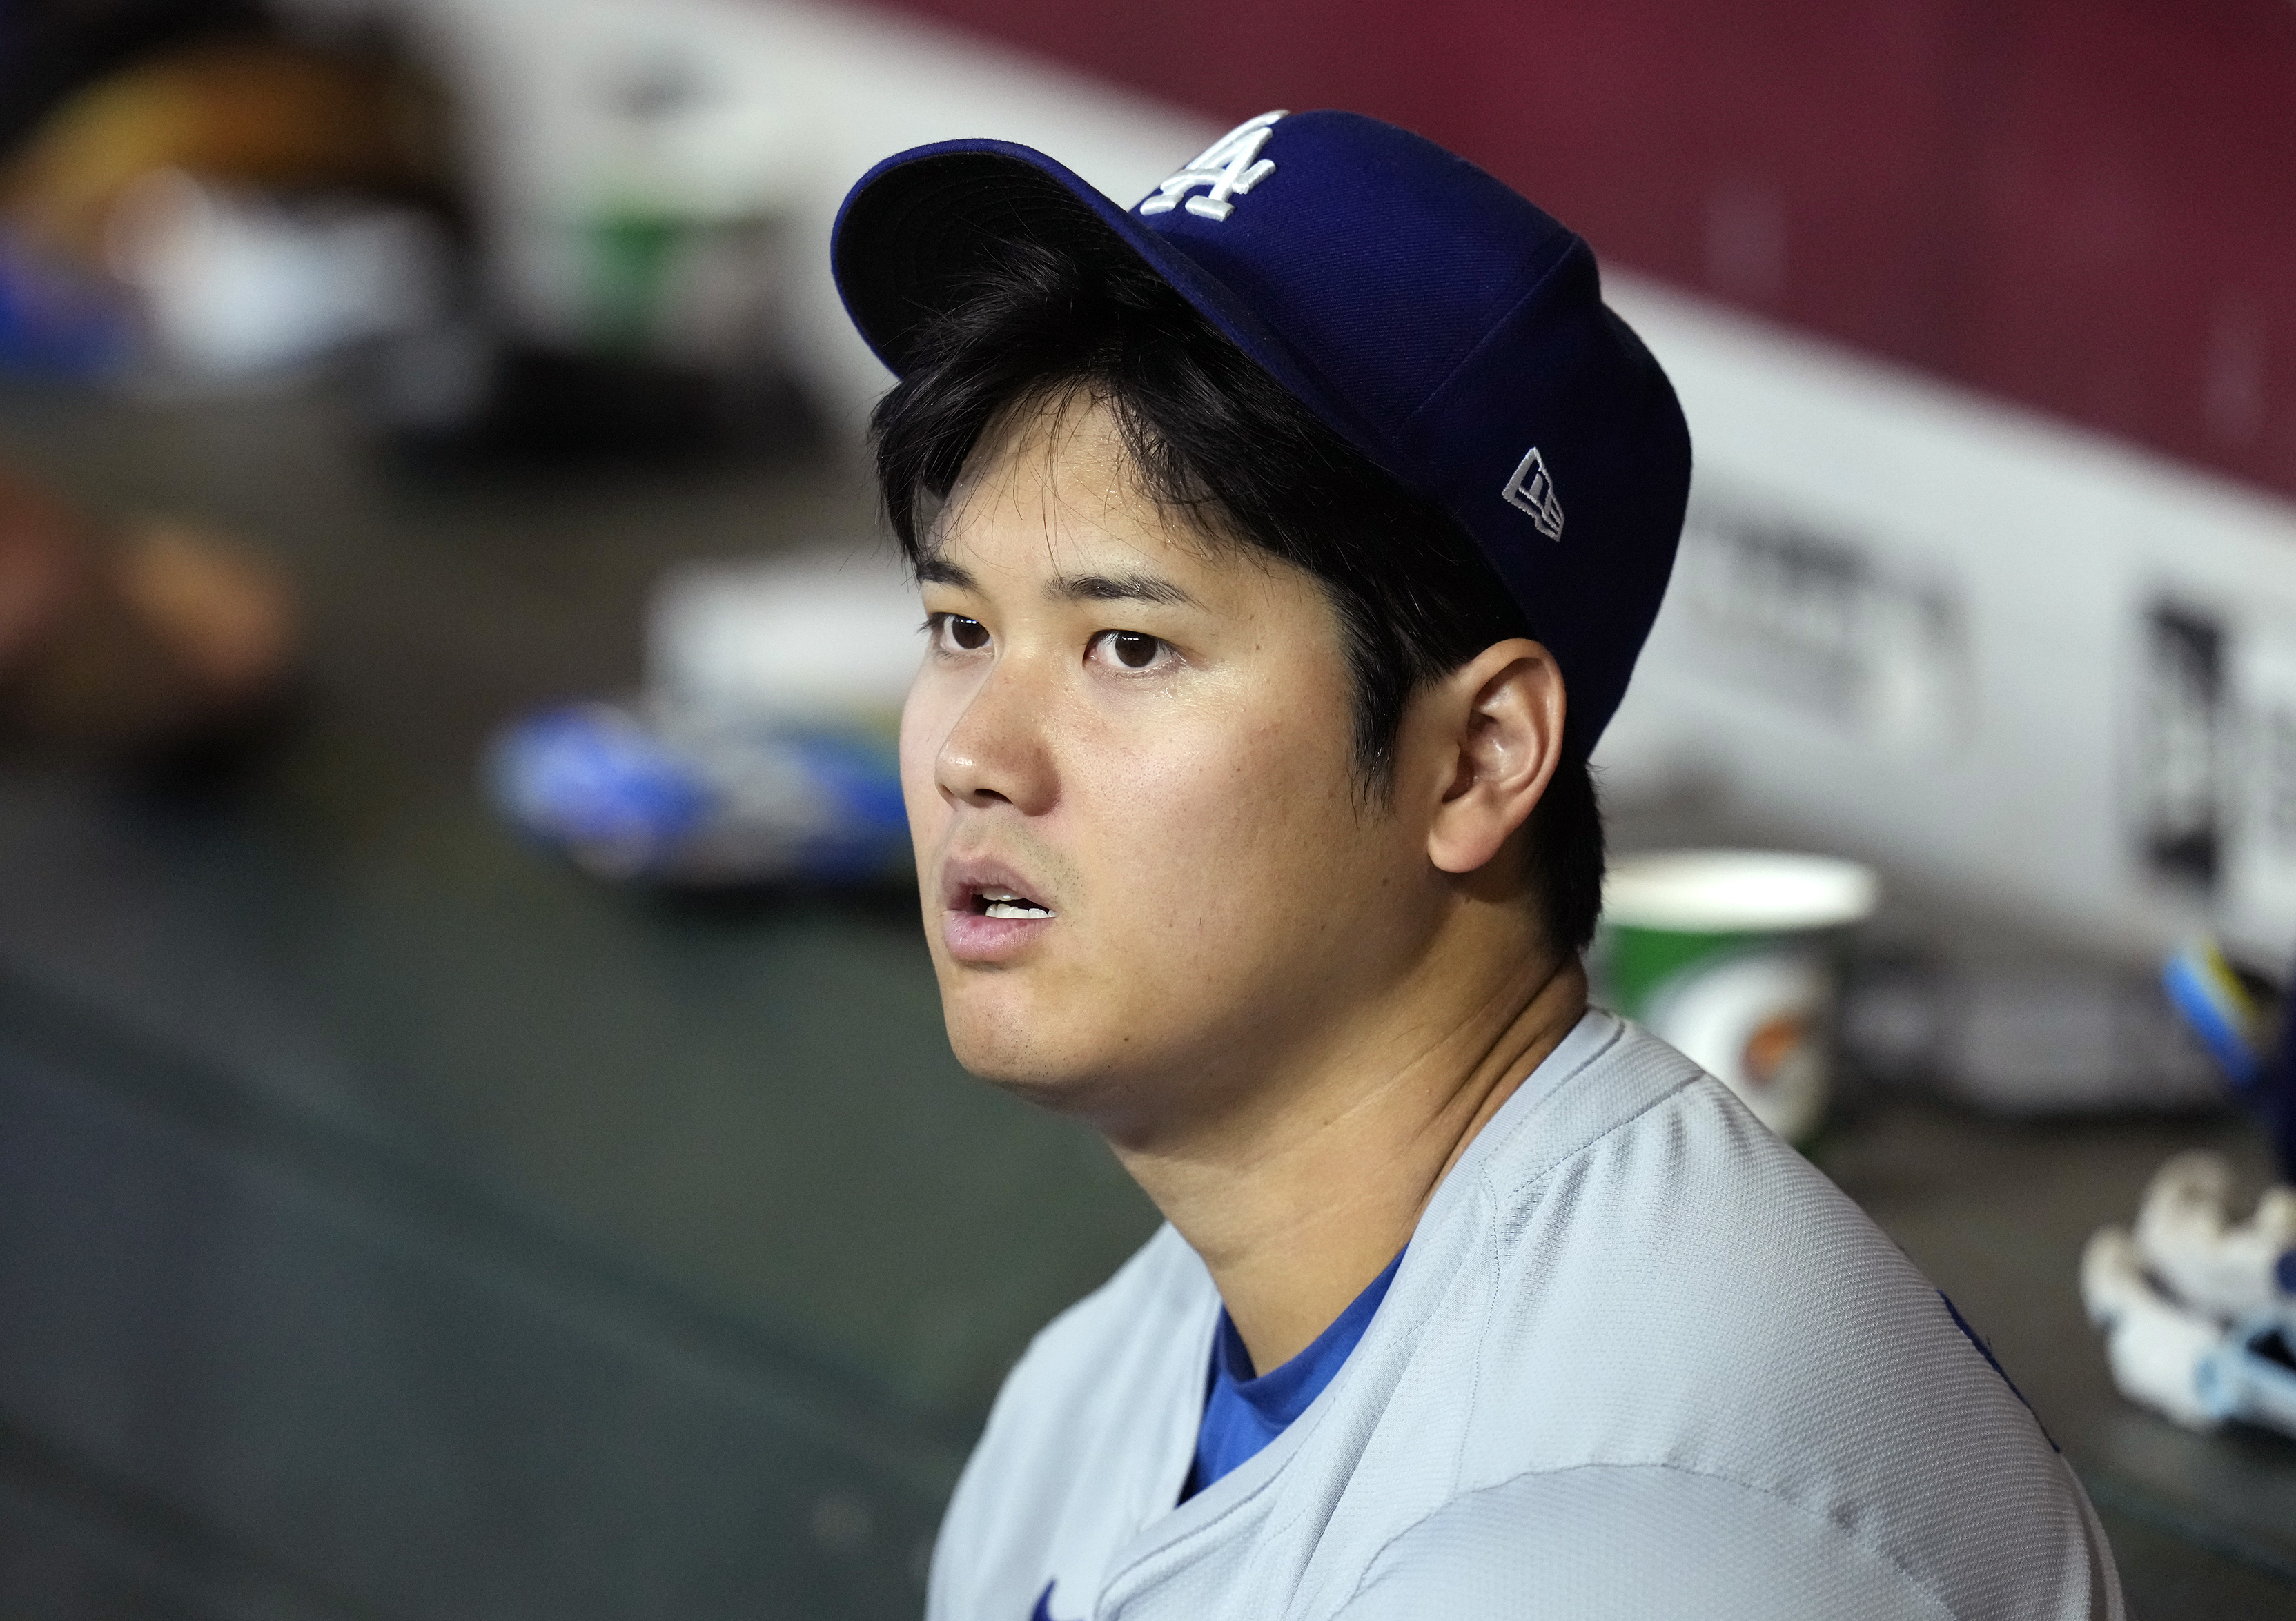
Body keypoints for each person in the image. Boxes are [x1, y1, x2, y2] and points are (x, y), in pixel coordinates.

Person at [831, 110, 2122, 1620]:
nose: (977, 750)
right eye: (960, 629)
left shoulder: (1636, 1529)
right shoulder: (1102, 1392)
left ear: (1480, 756)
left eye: (1129, 646)